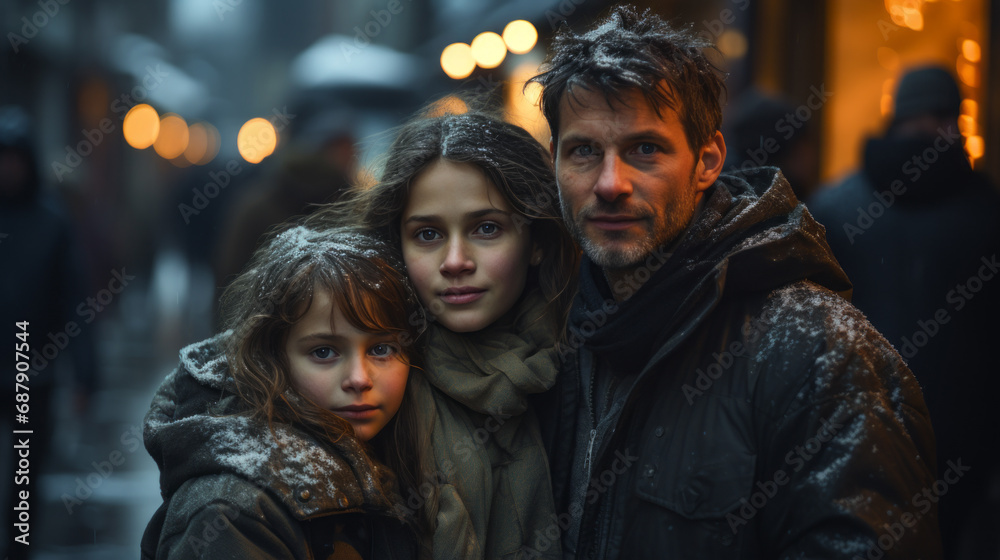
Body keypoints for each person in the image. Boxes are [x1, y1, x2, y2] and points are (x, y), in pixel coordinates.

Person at [528, 6, 941, 558]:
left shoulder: (817, 351)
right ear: (554, 160)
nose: (610, 184)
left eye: (645, 149)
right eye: (584, 151)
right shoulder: (547, 335)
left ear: (708, 160)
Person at [311, 107, 579, 559]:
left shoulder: (587, 368)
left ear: (537, 243)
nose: (456, 261)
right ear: (396, 245)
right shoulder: (357, 383)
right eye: (429, 234)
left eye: (487, 228)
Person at [140, 225, 432, 559]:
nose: (358, 378)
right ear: (271, 361)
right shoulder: (234, 513)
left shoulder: (400, 456)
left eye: (381, 349)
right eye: (324, 352)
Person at [808, 65, 1000, 558]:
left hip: (855, 428)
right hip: (959, 440)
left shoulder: (833, 206)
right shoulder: (986, 211)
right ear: (953, 120)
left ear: (896, 117)